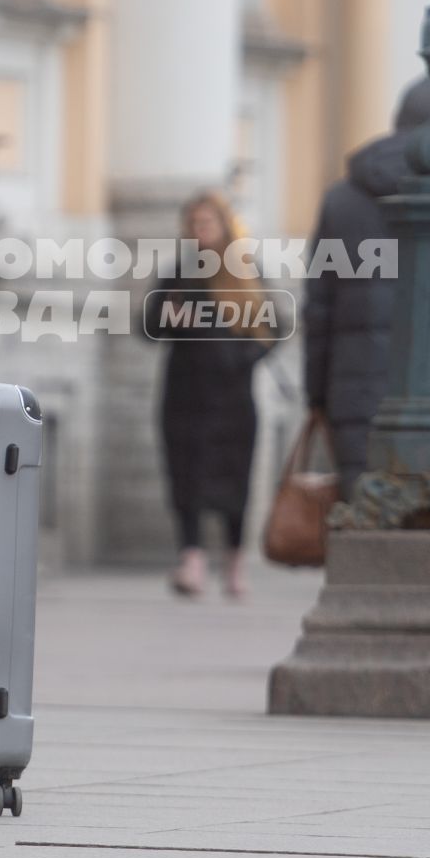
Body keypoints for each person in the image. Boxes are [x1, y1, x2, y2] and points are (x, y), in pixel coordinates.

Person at [302, 77, 430, 485]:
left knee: (364, 521)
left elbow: (319, 308)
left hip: (356, 396)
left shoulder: (341, 200)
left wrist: (317, 394)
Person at [156, 190, 277, 599]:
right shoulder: (181, 271)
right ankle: (190, 558)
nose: (199, 230)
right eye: (193, 224)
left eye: (206, 222)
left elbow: (273, 330)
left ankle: (234, 562)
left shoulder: (244, 271)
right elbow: (149, 326)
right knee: (184, 474)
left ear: (224, 225)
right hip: (184, 391)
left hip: (232, 397)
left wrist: (240, 359)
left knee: (233, 478)